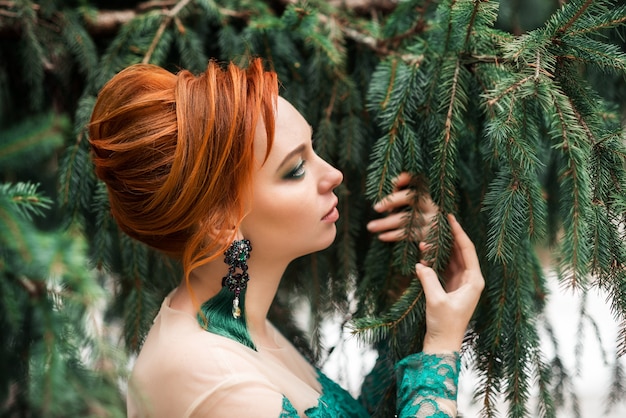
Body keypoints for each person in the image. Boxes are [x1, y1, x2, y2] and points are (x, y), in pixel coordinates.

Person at [88, 58, 484, 417]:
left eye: (313, 150)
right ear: (219, 222)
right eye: (296, 169)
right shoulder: (213, 378)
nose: (333, 175)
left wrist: (416, 287)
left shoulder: (236, 317)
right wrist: (439, 356)